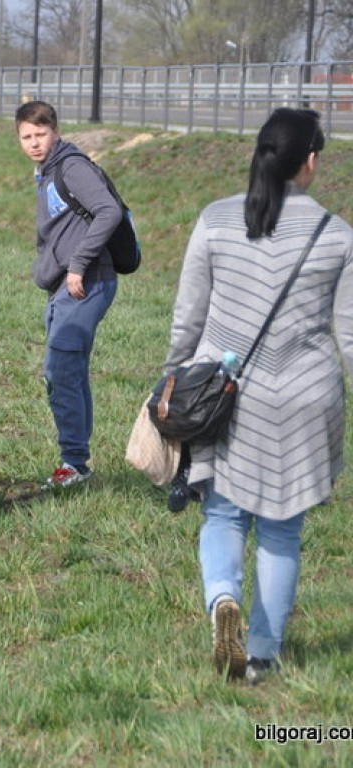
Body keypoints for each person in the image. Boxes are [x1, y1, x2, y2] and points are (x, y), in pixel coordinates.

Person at [165, 108, 353, 682]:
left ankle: (223, 597)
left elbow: (188, 316)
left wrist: (172, 377)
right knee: (281, 528)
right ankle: (264, 654)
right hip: (305, 396)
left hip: (225, 393)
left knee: (223, 513)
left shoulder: (216, 219)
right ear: (311, 161)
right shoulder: (338, 234)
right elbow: (349, 336)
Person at [14, 100, 118, 489]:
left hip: (85, 282)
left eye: (41, 134)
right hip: (66, 286)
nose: (34, 142)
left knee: (60, 370)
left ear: (56, 132)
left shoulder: (71, 166)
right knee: (69, 372)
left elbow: (108, 211)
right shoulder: (47, 170)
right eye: (26, 136)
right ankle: (78, 463)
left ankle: (73, 463)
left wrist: (78, 263)